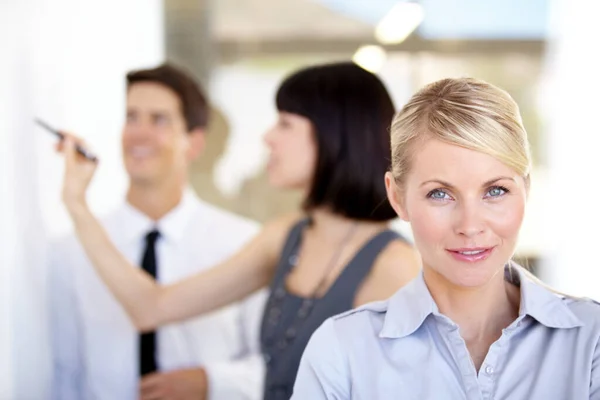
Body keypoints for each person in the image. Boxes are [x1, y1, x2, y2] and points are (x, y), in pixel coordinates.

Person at [56, 61, 422, 400]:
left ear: (332, 137)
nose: (268, 138)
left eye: (285, 124)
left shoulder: (393, 266)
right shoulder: (284, 238)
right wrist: (76, 204)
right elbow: (151, 307)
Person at [291, 77, 600, 399]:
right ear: (397, 197)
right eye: (440, 194)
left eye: (496, 191)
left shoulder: (591, 340)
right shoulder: (342, 351)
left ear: (527, 189)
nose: (470, 225)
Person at [48, 63, 267, 400]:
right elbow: (64, 375)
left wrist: (212, 381)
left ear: (193, 144)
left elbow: (274, 366)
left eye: (159, 119)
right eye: (131, 117)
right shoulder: (72, 250)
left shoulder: (243, 243)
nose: (139, 133)